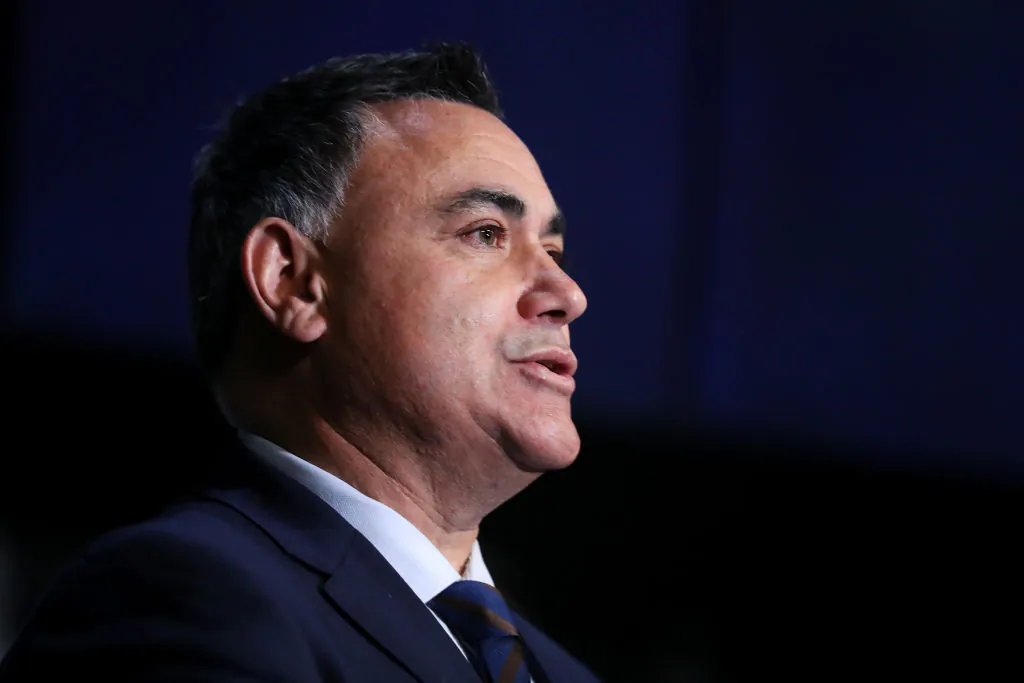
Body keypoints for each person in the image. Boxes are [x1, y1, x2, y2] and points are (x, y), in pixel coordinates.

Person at [0, 43, 598, 682]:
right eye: (486, 234)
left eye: (554, 252)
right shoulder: (177, 599)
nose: (568, 294)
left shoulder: (564, 675)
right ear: (293, 283)